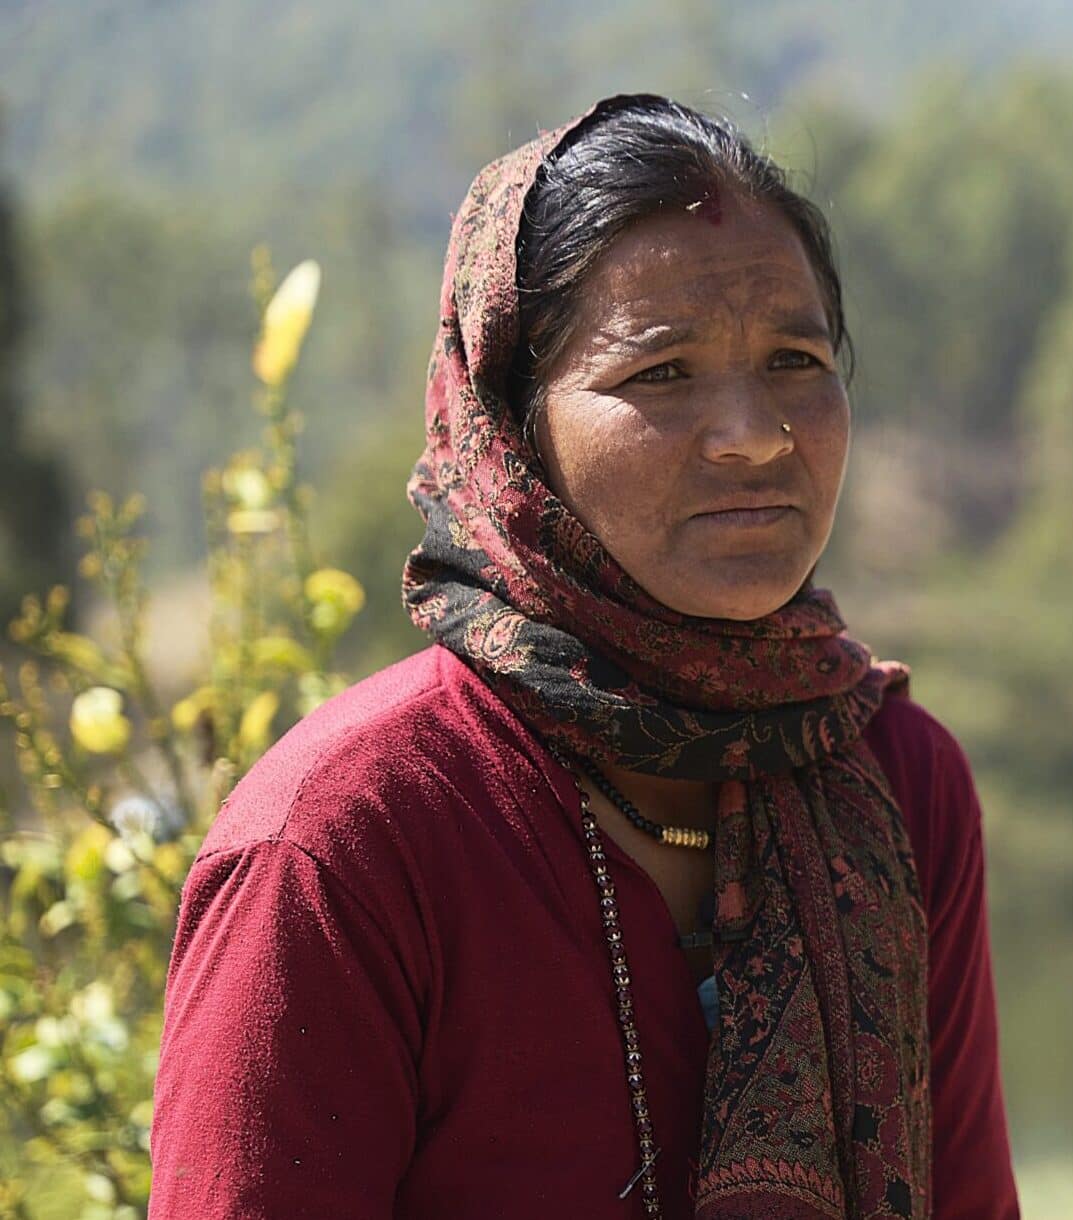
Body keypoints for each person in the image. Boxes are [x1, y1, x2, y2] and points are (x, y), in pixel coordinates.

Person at [148, 94, 1020, 1219]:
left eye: (795, 358)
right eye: (662, 373)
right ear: (514, 428)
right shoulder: (341, 842)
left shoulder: (897, 779)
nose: (755, 433)